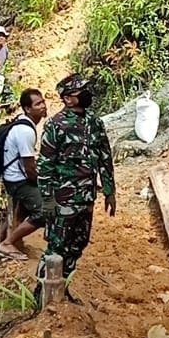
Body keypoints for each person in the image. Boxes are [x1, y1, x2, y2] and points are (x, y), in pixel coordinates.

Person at [35, 73, 116, 304]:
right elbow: (45, 165)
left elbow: (104, 157)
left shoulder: (94, 122)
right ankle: (42, 294)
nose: (86, 94)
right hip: (63, 200)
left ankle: (64, 288)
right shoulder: (55, 125)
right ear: (68, 99)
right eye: (81, 91)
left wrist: (110, 190)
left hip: (86, 197)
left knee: (78, 244)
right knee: (57, 246)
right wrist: (48, 199)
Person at [0, 88, 48, 262]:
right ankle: (8, 243)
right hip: (17, 181)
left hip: (13, 176)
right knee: (44, 211)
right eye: (38, 104)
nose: (43, 106)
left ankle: (0, 239)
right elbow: (29, 169)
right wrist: (44, 184)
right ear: (27, 109)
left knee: (24, 210)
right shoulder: (26, 131)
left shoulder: (24, 123)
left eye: (43, 102)